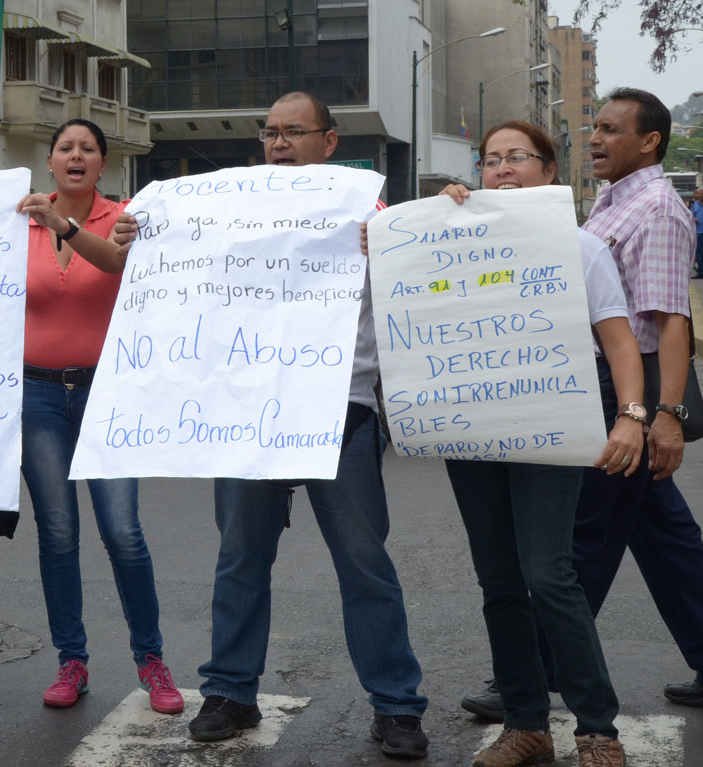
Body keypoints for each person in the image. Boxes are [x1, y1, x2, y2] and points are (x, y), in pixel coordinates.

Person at [464, 87, 703, 731]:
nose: (596, 138)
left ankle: (538, 673)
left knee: (583, 541)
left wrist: (664, 416)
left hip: (618, 391)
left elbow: (669, 323)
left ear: (650, 141)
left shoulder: (656, 209)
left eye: (610, 128)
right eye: (594, 127)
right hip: (596, 384)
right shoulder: (615, 199)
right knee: (663, 534)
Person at [180, 92, 429, 758]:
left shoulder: (373, 214)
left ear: (328, 140)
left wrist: (406, 239)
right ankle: (230, 691)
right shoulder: (229, 214)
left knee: (364, 562)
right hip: (248, 412)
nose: (280, 142)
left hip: (338, 407)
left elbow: (429, 272)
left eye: (294, 132)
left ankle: (397, 704)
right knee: (240, 558)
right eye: (269, 133)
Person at [440, 120, 641, 767]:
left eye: (515, 157)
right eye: (490, 159)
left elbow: (617, 341)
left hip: (551, 423)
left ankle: (597, 728)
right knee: (498, 580)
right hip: (471, 430)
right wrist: (423, 230)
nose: (500, 169)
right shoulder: (452, 241)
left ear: (547, 171)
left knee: (548, 575)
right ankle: (526, 724)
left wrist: (632, 416)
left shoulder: (580, 248)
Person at [13, 118, 184, 716]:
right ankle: (72, 662)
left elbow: (113, 263)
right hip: (35, 397)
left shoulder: (125, 218)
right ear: (51, 161)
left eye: (87, 148)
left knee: (123, 534)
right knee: (58, 535)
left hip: (107, 393)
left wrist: (62, 225)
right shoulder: (17, 222)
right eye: (65, 147)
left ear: (102, 164)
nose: (76, 155)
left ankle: (151, 661)